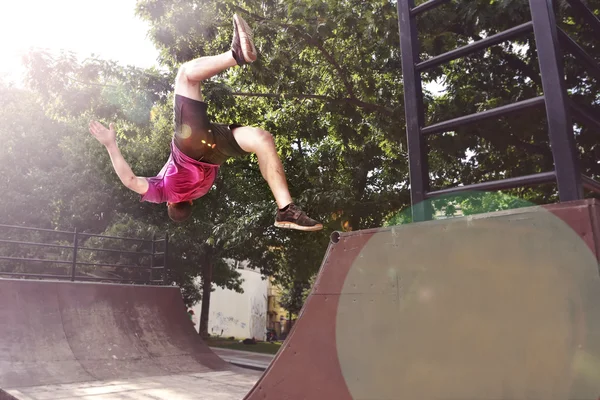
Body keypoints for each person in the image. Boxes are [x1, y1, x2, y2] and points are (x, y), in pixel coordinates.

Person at [89, 14, 323, 231]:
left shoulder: (200, 191)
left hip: (214, 150)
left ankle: (286, 209)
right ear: (169, 204)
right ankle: (235, 55)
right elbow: (130, 181)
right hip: (192, 144)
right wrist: (110, 144)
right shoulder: (163, 192)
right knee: (186, 75)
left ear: (190, 202)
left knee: (262, 140)